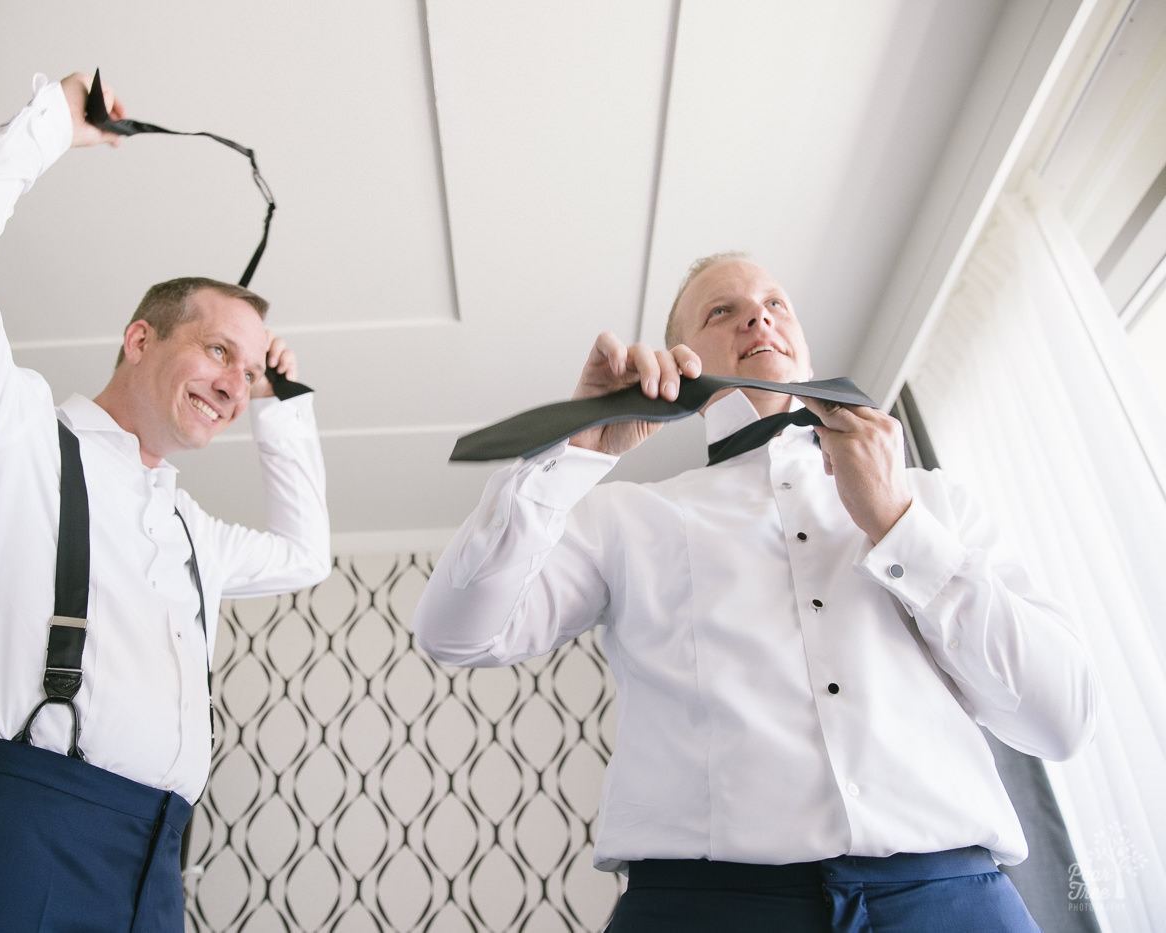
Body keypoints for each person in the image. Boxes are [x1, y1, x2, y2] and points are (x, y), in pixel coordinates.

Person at [413, 252, 1097, 931]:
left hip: (954, 899)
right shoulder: (622, 517)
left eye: (775, 304)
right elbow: (455, 632)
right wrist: (577, 449)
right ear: (679, 358)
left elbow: (1061, 717)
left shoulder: (940, 503)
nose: (757, 316)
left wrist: (899, 525)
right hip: (703, 909)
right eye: (723, 310)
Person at [0, 72, 330, 932]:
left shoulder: (190, 530)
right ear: (140, 338)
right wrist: (52, 125)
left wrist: (286, 402)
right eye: (217, 349)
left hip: (151, 868)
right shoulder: (7, 429)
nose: (233, 384)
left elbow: (305, 553)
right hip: (2, 837)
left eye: (247, 372)